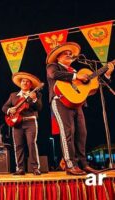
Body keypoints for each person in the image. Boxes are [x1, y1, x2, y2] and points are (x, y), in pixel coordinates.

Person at [46, 42, 114, 175]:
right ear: (58, 57)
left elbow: (94, 84)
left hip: (77, 104)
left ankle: (83, 164)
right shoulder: (53, 66)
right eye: (66, 54)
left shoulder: (75, 70)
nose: (70, 55)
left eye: (71, 54)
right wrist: (76, 77)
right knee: (68, 132)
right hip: (60, 101)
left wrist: (107, 74)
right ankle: (70, 164)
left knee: (82, 133)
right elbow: (54, 75)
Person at [2, 72, 42, 175]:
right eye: (23, 81)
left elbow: (39, 108)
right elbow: (4, 107)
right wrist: (9, 110)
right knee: (18, 145)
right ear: (20, 83)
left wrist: (34, 99)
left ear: (31, 85)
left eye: (27, 81)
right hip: (17, 123)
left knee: (31, 144)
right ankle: (20, 169)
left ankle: (35, 168)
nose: (25, 83)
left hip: (30, 122)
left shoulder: (36, 94)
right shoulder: (13, 95)